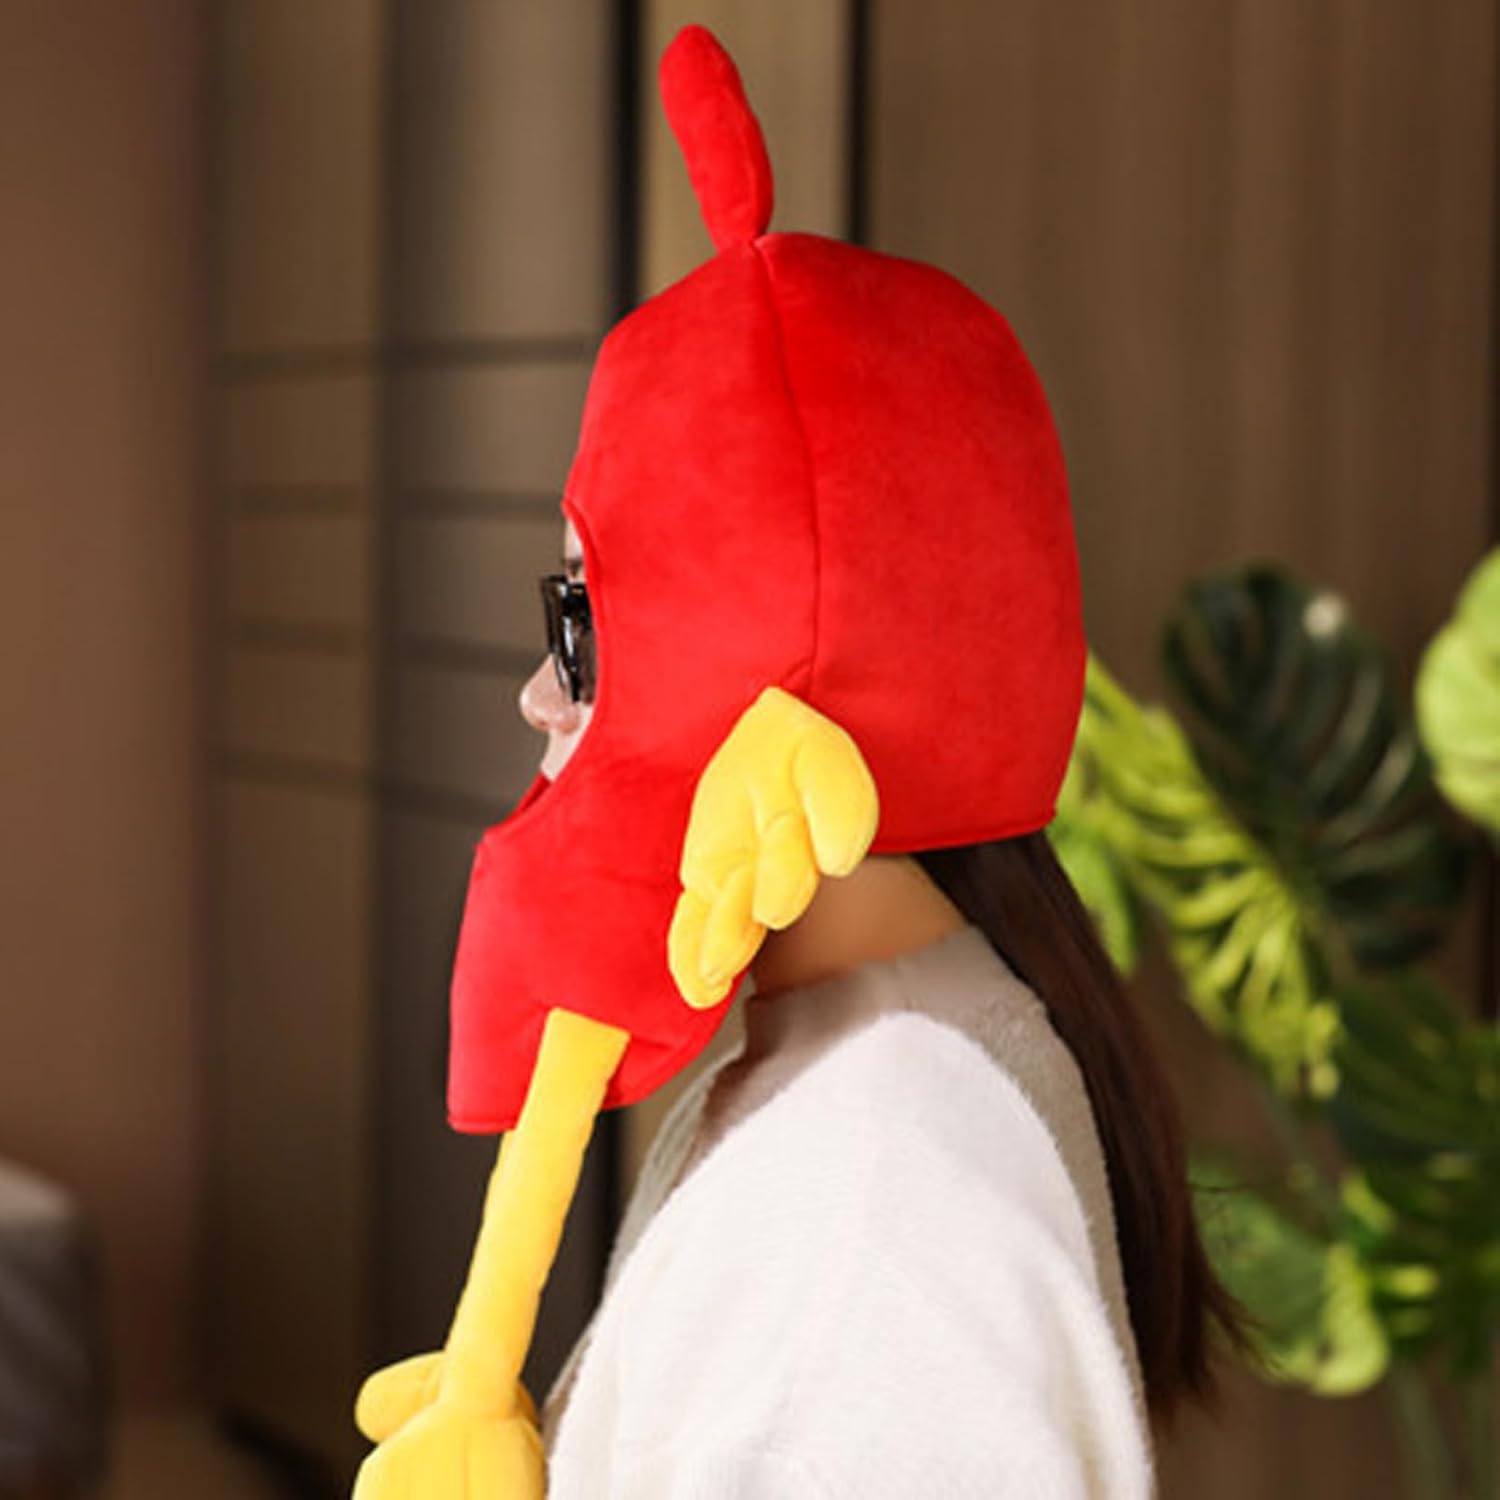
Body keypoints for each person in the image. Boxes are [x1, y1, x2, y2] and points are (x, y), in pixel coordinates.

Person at [351, 26, 1255, 1499]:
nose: (536, 696)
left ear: (781, 668)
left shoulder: (891, 1174)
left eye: (579, 624)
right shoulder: (867, 1058)